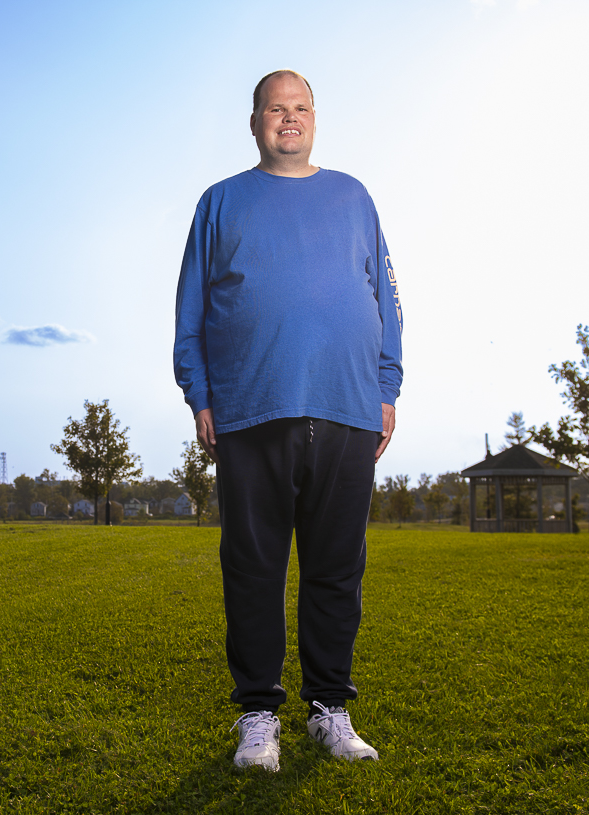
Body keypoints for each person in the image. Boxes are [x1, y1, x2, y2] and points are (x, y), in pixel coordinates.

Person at [173, 69, 403, 771]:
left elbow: (386, 297)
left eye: (301, 108)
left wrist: (387, 386)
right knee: (253, 567)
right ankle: (258, 715)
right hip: (249, 407)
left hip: (347, 405)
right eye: (277, 108)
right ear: (255, 122)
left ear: (314, 118)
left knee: (337, 568)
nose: (290, 118)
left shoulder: (354, 196)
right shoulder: (221, 202)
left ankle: (330, 708)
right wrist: (201, 392)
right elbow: (189, 309)